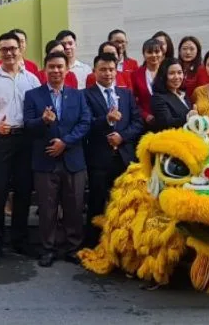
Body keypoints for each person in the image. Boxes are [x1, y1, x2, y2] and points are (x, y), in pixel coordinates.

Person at [0, 31, 42, 265]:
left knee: (23, 191)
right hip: (1, 139)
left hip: (26, 140)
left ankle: (20, 240)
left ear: (20, 49)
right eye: (4, 49)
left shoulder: (32, 79)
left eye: (13, 48)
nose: (9, 53)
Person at [23, 51, 91, 267]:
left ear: (67, 69)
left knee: (74, 207)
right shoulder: (33, 95)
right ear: (45, 69)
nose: (56, 70)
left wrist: (65, 142)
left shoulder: (78, 95)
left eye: (60, 67)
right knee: (47, 208)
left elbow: (85, 122)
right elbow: (27, 125)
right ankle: (48, 249)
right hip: (45, 161)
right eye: (51, 66)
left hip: (73, 160)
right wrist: (42, 121)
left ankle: (73, 248)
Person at [82, 52, 144, 246]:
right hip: (99, 158)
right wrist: (106, 120)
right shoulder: (85, 95)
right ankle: (94, 244)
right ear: (94, 71)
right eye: (103, 69)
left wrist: (122, 137)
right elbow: (86, 123)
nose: (107, 73)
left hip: (124, 157)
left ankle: (122, 244)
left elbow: (137, 122)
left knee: (124, 203)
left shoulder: (126, 94)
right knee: (97, 202)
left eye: (111, 69)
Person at [151, 58, 197, 130]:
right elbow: (166, 123)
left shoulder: (183, 94)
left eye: (179, 72)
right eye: (171, 73)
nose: (176, 77)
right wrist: (188, 117)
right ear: (163, 75)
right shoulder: (158, 98)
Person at [130, 38, 165, 127]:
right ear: (144, 54)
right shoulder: (135, 74)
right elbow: (132, 100)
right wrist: (145, 115)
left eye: (157, 52)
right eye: (149, 52)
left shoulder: (168, 72)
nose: (154, 55)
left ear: (162, 53)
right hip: (145, 122)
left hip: (167, 118)